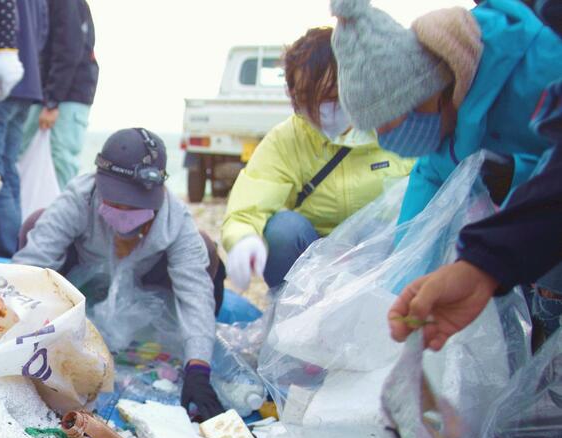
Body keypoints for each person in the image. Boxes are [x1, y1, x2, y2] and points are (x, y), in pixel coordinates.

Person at [13, 128, 226, 420]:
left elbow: (195, 293)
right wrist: (9, 326)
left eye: (133, 204)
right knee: (34, 223)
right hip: (84, 284)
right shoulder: (80, 198)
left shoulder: (175, 220)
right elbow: (30, 265)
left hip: (148, 284)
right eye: (115, 202)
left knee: (206, 249)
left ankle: (176, 347)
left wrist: (198, 366)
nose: (123, 210)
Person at [390, 0, 562, 349]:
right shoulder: (448, 135)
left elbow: (548, 166)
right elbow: (426, 186)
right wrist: (480, 264)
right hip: (523, 243)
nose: (389, 133)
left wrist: (514, 174)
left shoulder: (540, 63)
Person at [330, 0, 562, 228]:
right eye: (376, 128)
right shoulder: (445, 130)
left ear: (428, 93)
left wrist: (517, 173)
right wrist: (404, 261)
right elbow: (427, 184)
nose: (386, 137)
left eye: (390, 122)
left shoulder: (545, 67)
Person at [221, 27, 412, 292]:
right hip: (316, 258)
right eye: (307, 99)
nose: (323, 110)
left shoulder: (394, 125)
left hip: (386, 251)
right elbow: (247, 209)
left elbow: (433, 182)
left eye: (332, 97)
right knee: (282, 230)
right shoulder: (286, 140)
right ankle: (294, 318)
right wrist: (243, 240)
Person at [0, 0, 49, 257]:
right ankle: (17, 244)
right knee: (8, 174)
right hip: (25, 81)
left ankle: (9, 248)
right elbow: (43, 32)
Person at [23, 0, 98, 189]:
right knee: (25, 154)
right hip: (48, 93)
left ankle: (65, 215)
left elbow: (69, 48)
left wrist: (52, 102)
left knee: (62, 162)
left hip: (67, 95)